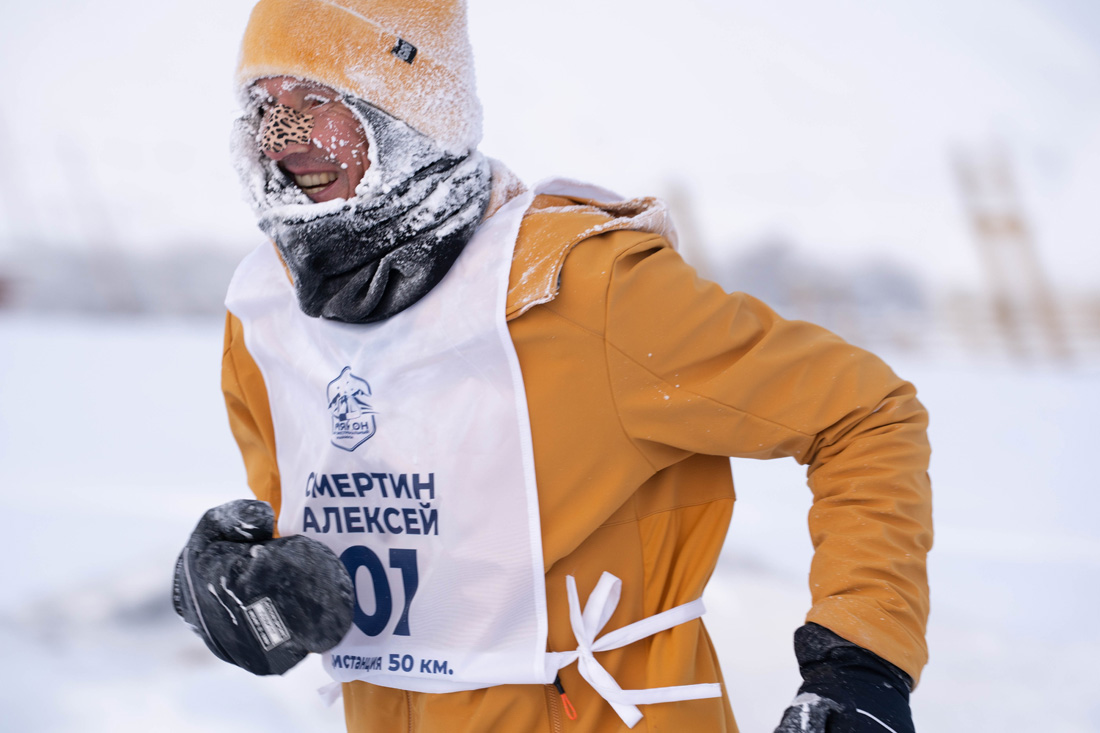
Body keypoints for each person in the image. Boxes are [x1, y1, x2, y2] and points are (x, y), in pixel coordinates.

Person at [172, 1, 933, 731]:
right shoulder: (267, 320)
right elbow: (322, 547)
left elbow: (862, 413)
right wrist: (246, 595)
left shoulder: (585, 291)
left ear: (407, 110)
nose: (280, 135)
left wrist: (860, 663)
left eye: (315, 99)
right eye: (263, 105)